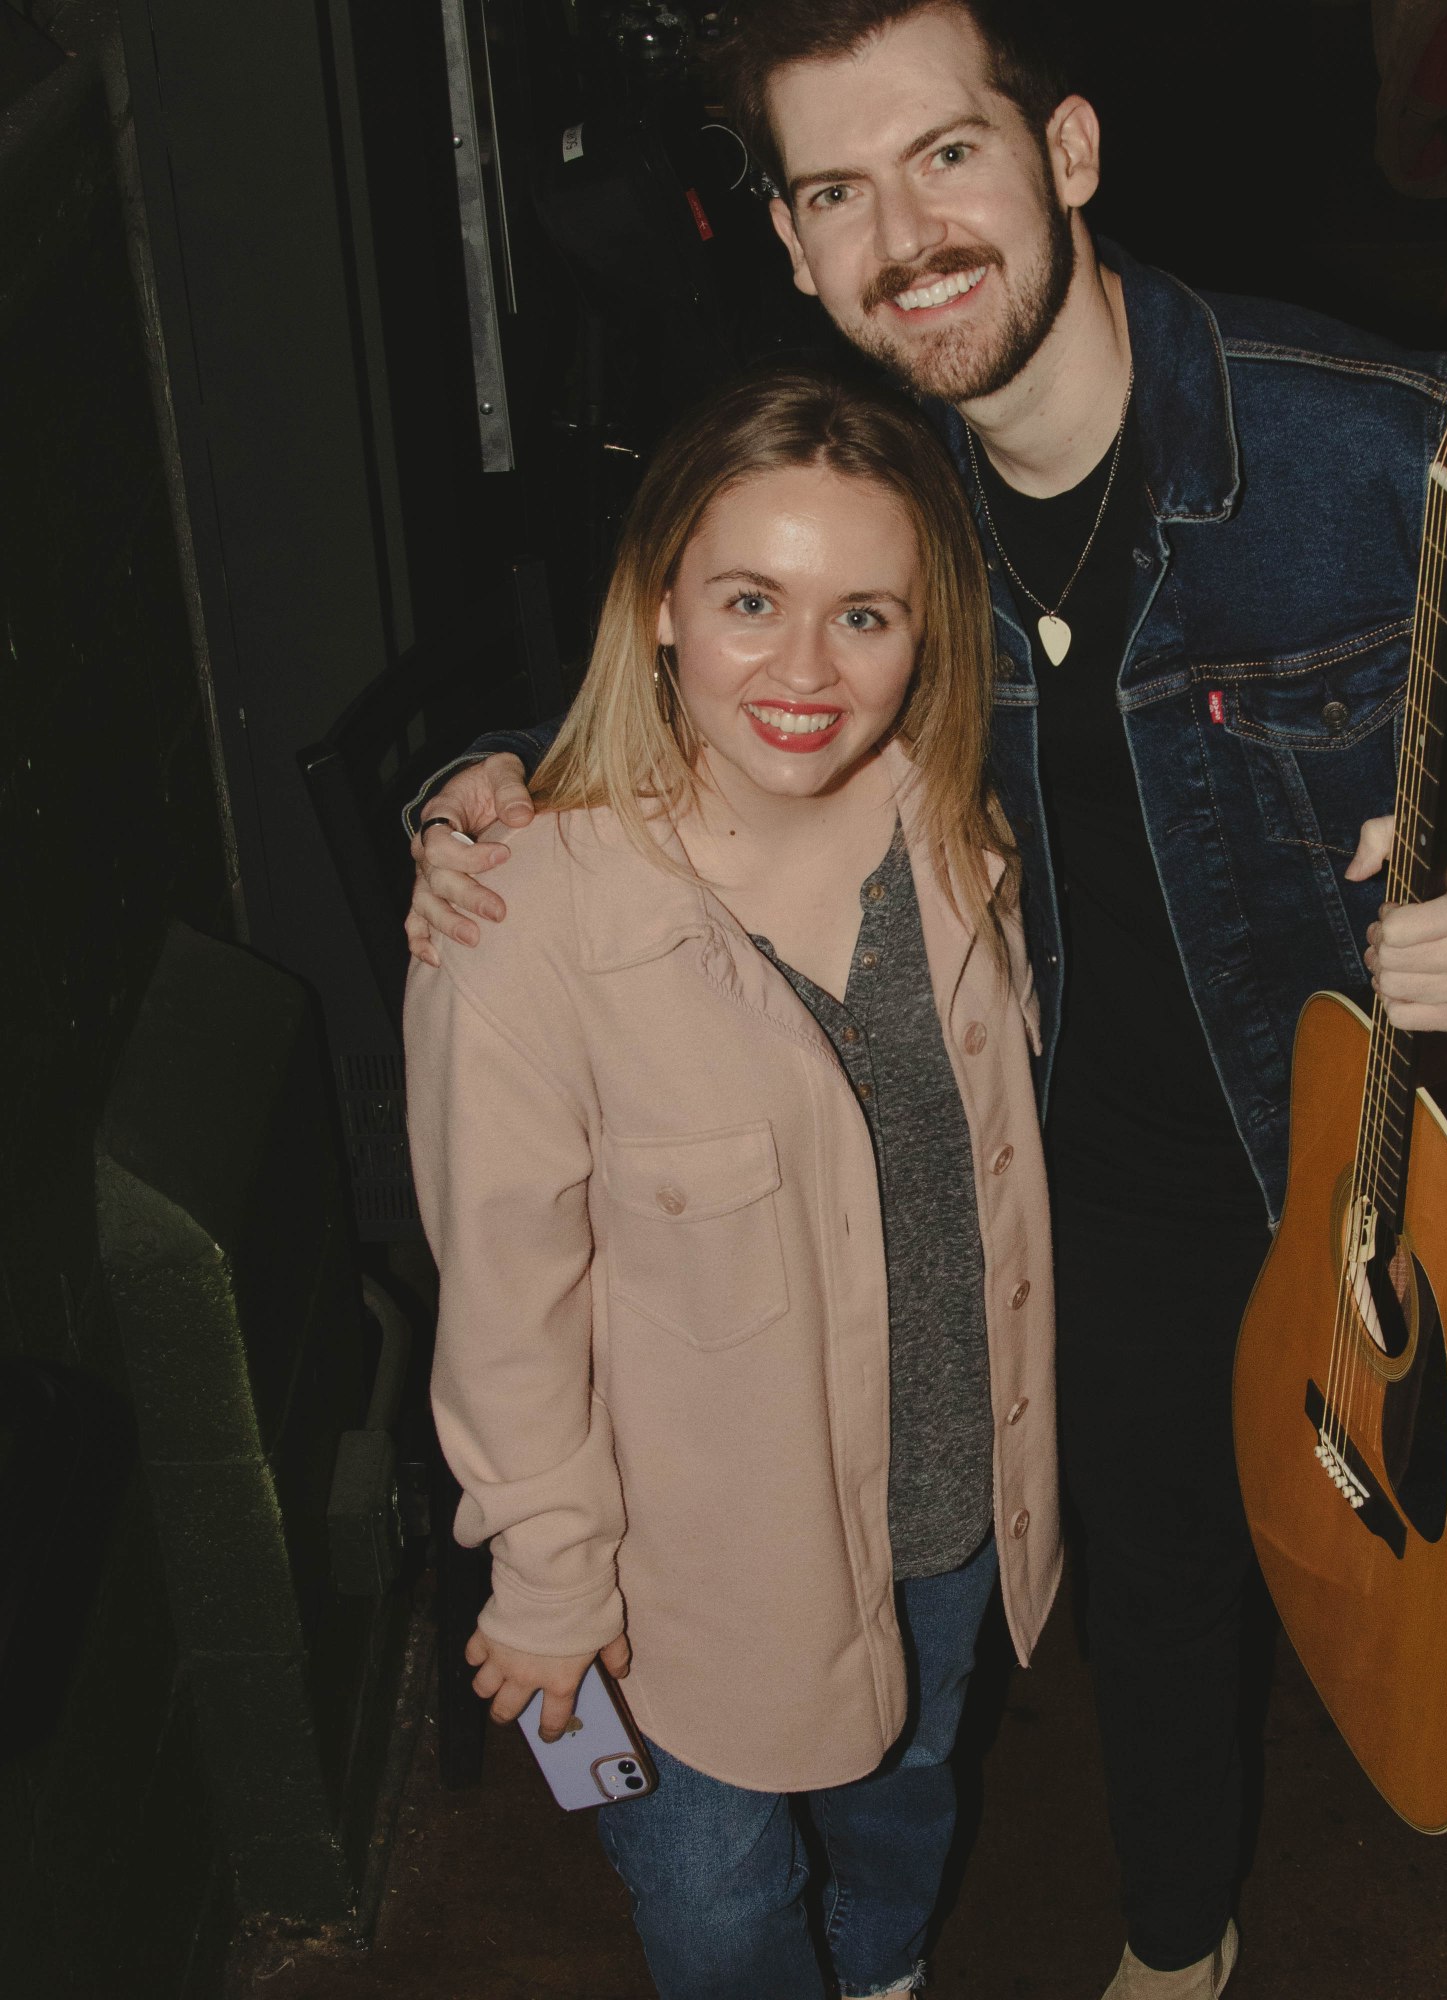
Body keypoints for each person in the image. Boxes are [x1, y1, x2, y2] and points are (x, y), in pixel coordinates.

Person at [405, 7, 1447, 1996]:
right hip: (1093, 1168)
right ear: (803, 255)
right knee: (1154, 1576)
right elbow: (723, 677)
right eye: (837, 191)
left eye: (944, 156)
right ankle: (1177, 1936)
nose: (903, 234)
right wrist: (483, 781)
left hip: (1395, 1118)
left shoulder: (1351, 426)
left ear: (1065, 153)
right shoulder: (885, 509)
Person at [404, 359, 1059, 2000]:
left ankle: (889, 1969)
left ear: (929, 638)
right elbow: (504, 1301)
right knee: (712, 1902)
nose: (802, 669)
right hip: (682, 1571)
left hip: (953, 1504)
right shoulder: (523, 924)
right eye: (751, 598)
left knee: (909, 1789)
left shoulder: (966, 827)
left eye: (866, 616)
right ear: (658, 608)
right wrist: (549, 1572)